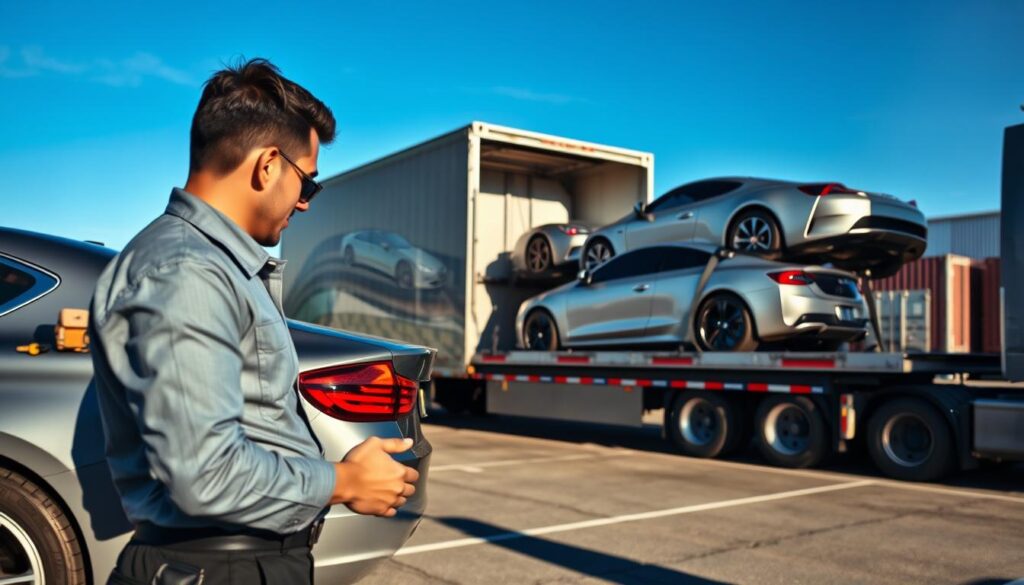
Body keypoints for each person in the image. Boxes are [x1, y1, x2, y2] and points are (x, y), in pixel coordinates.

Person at [88, 58, 418, 584]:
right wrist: (342, 481)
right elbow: (204, 473)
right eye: (307, 184)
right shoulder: (187, 272)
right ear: (268, 165)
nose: (305, 204)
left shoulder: (208, 265)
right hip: (218, 568)